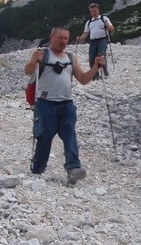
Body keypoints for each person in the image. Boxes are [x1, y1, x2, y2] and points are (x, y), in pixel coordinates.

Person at [24, 26, 105, 184]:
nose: (63, 41)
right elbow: (28, 71)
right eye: (60, 38)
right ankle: (38, 167)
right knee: (45, 135)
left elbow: (82, 78)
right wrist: (34, 60)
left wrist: (96, 67)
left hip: (66, 103)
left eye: (65, 38)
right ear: (52, 37)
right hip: (45, 103)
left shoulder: (70, 58)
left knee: (69, 134)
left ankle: (73, 168)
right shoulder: (42, 54)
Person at [77, 3, 114, 79]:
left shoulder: (104, 18)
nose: (94, 13)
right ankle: (95, 75)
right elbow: (85, 33)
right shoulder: (89, 22)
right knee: (92, 58)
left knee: (101, 55)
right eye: (92, 11)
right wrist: (80, 38)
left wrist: (107, 26)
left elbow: (112, 28)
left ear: (98, 10)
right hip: (93, 41)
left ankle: (104, 72)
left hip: (102, 39)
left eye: (95, 11)